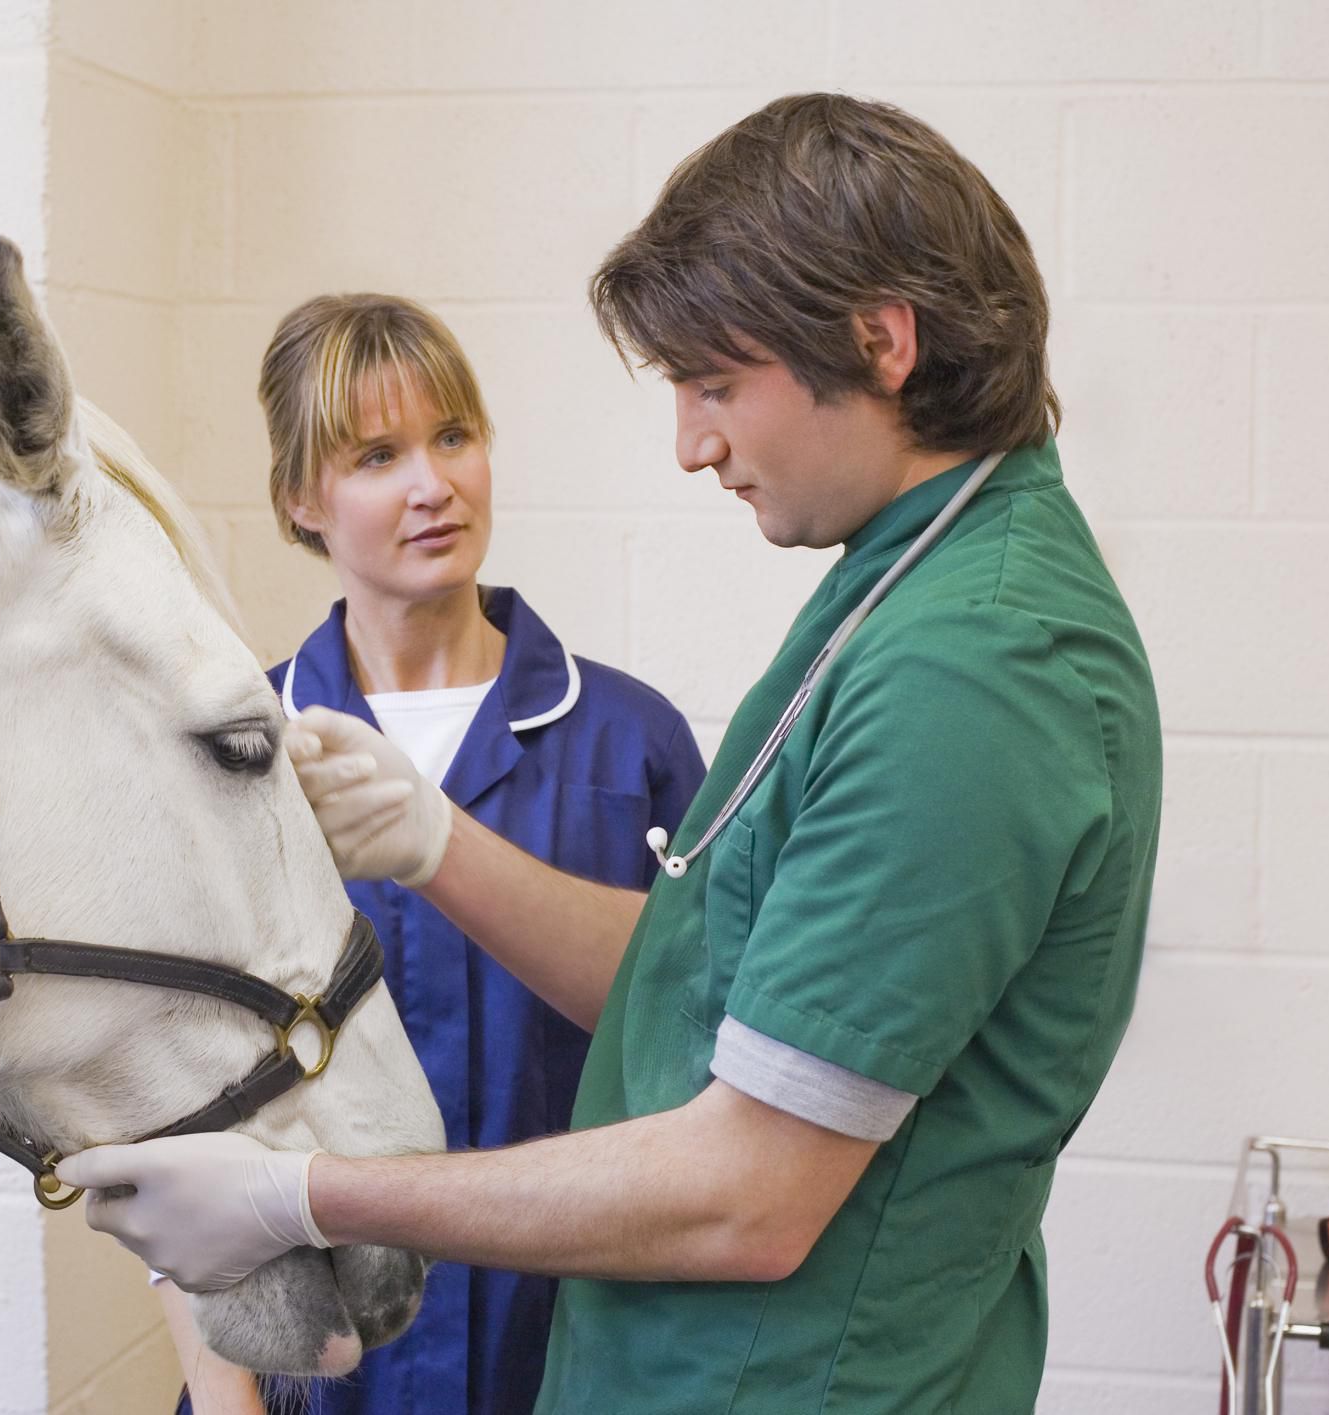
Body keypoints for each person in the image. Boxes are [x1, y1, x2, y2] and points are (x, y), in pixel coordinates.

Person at [70, 93, 1162, 1414]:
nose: (693, 443)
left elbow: (744, 1195)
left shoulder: (967, 669)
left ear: (878, 342)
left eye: (713, 384)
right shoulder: (892, 593)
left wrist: (295, 1199)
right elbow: (694, 997)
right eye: (371, 455)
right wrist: (435, 845)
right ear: (300, 498)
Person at [157, 293, 706, 1415]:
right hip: (312, 1374)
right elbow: (167, 1103)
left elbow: (696, 1051)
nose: (432, 483)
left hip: (566, 1364)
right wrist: (225, 1399)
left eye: (453, 436)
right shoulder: (237, 754)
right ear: (301, 500)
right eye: (376, 453)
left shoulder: (628, 742)